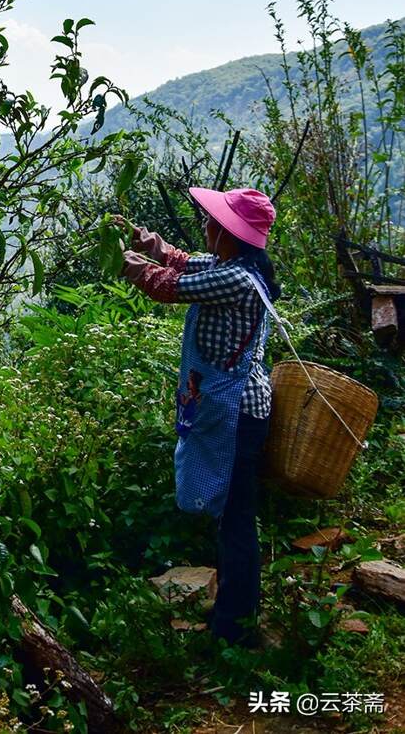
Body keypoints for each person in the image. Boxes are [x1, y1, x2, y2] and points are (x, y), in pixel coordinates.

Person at [115, 186, 279, 647]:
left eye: (213, 223)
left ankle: (236, 626)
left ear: (230, 235)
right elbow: (184, 262)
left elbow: (169, 285)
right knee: (231, 516)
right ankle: (234, 611)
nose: (206, 227)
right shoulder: (233, 267)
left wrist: (129, 263)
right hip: (229, 411)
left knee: (236, 520)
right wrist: (153, 246)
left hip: (237, 414)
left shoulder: (237, 280)